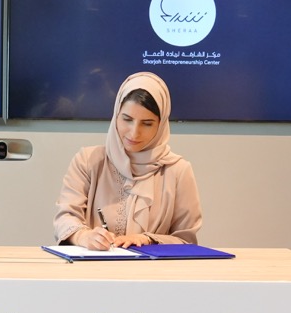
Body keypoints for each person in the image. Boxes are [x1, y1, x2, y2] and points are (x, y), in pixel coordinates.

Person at [54, 72, 202, 250]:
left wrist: (148, 239)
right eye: (127, 119)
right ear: (116, 115)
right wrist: (82, 236)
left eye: (147, 123)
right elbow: (65, 217)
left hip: (152, 268)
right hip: (94, 265)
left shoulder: (178, 170)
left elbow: (186, 240)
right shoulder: (88, 160)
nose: (134, 133)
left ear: (161, 124)